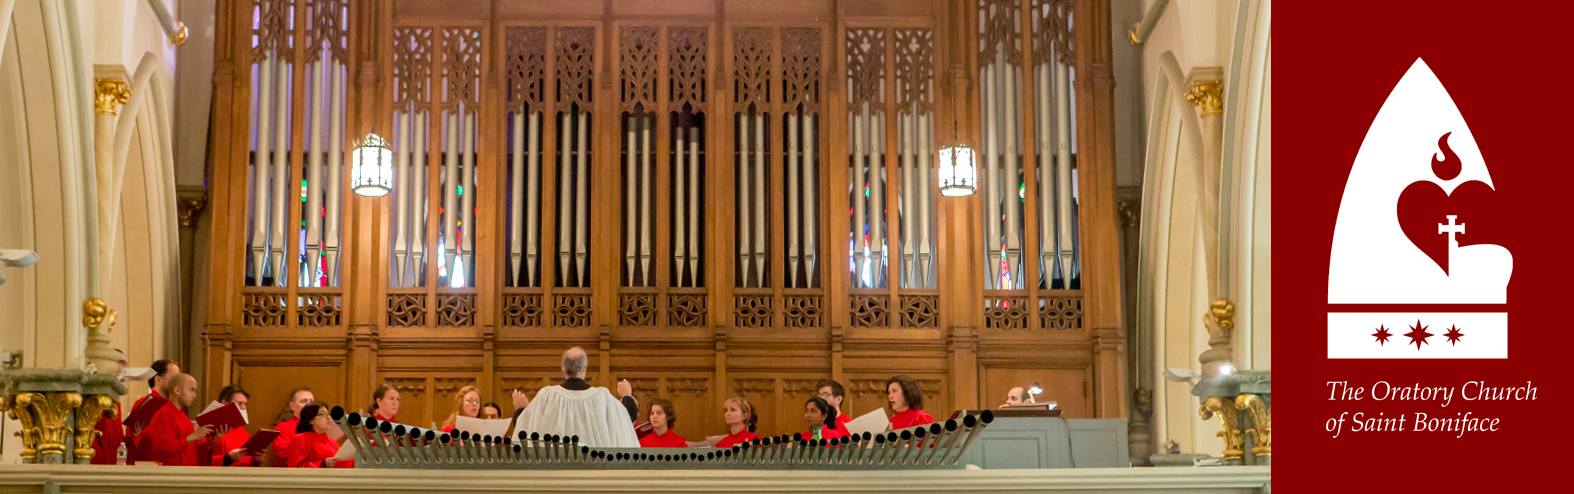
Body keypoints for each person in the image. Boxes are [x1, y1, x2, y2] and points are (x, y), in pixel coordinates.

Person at [509, 347, 640, 447]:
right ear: (585, 368)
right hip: (594, 475)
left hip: (556, 475)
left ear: (563, 368)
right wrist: (627, 396)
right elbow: (625, 422)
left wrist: (520, 409)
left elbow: (525, 432)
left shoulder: (547, 396)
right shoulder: (602, 397)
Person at [134, 373, 211, 466]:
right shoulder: (164, 415)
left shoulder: (184, 417)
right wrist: (193, 436)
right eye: (192, 390)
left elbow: (193, 451)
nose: (194, 395)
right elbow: (163, 449)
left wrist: (212, 441)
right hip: (172, 475)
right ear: (177, 390)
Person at [205, 385, 259, 466]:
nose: (244, 408)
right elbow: (203, 460)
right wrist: (228, 458)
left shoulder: (242, 431)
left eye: (245, 404)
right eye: (240, 403)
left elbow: (248, 462)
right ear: (225, 403)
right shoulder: (209, 427)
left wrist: (257, 460)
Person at [284, 403, 352, 468]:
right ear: (311, 420)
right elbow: (297, 467)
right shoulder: (300, 439)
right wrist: (323, 464)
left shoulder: (332, 442)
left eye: (328, 414)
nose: (328, 417)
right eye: (322, 414)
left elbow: (341, 463)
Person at [268, 387, 314, 466]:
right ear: (292, 406)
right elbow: (284, 455)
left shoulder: (318, 427)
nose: (309, 405)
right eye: (304, 401)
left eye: (312, 401)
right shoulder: (282, 428)